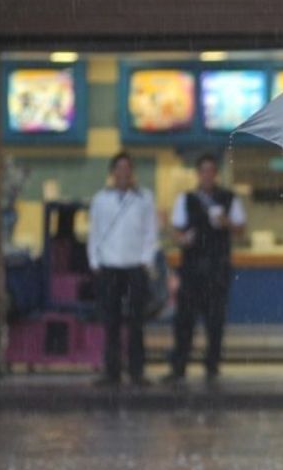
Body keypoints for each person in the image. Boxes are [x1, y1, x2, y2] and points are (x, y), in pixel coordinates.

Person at [162, 153, 246, 385]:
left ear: (215, 174)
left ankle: (212, 366)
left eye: (211, 170)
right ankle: (179, 367)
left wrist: (226, 223)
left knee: (215, 321)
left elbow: (241, 230)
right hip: (191, 269)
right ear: (198, 174)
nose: (207, 175)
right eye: (203, 171)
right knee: (184, 320)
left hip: (218, 268)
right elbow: (176, 231)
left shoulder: (229, 198)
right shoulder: (186, 199)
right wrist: (184, 238)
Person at [87, 151, 159, 388]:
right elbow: (94, 232)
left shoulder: (144, 198)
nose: (123, 173)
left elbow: (151, 232)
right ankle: (112, 372)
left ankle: (137, 372)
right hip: (109, 267)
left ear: (132, 173)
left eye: (127, 169)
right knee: (111, 322)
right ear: (112, 173)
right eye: (119, 168)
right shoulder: (100, 199)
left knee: (137, 322)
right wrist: (94, 262)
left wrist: (146, 260)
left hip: (135, 268)